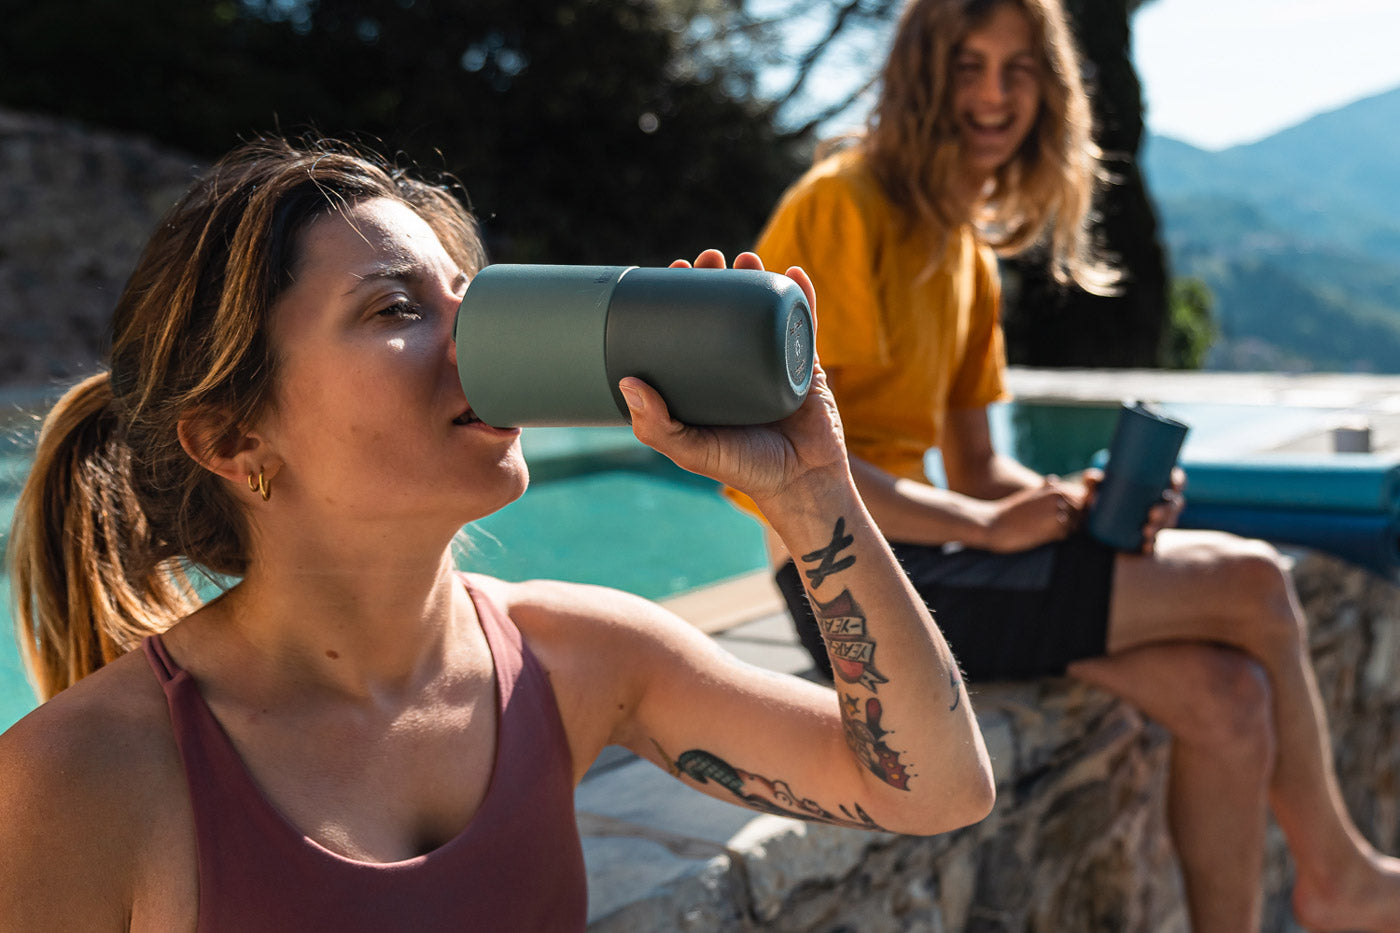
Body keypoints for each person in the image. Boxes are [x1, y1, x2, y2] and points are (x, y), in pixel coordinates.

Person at [0, 137, 995, 930]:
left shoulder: (577, 659)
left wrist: (815, 493)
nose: (473, 338)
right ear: (233, 437)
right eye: (395, 306)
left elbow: (934, 789)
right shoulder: (84, 780)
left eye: (465, 297)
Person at [742, 0, 1400, 930]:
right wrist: (981, 527)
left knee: (1228, 696)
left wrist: (1067, 499)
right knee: (1254, 584)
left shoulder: (964, 252)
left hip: (935, 562)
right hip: (842, 584)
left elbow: (977, 468)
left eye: (1019, 70)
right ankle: (1342, 878)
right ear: (922, 77)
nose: (995, 95)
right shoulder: (841, 207)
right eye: (969, 66)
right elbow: (798, 465)